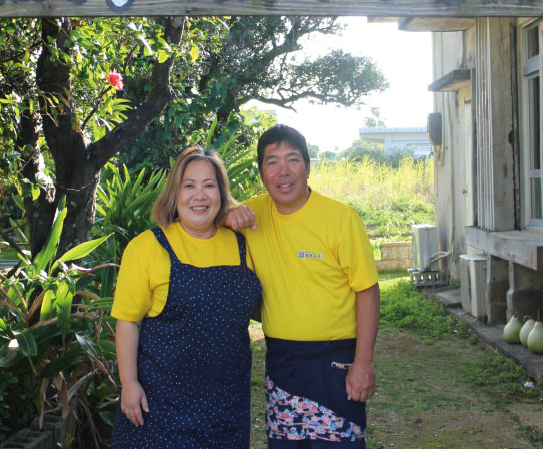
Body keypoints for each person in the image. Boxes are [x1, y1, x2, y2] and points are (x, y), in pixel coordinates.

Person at [227, 124, 380, 448]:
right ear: (261, 172)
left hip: (337, 363)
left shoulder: (341, 218)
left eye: (292, 160)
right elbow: (205, 214)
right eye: (272, 162)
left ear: (308, 167)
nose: (283, 171)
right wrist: (228, 213)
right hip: (282, 364)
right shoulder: (252, 216)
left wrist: (363, 363)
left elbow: (367, 290)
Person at [110, 146, 262, 449]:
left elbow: (259, 308)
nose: (200, 195)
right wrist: (129, 383)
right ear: (174, 194)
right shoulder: (146, 248)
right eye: (189, 185)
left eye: (209, 185)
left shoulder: (243, 244)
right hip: (160, 408)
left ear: (221, 192)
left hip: (228, 407)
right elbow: (127, 321)